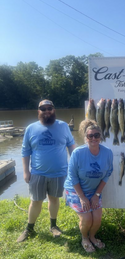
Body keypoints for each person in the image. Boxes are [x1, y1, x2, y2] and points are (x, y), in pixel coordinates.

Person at [17, 99, 76, 243]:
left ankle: (53, 225)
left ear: (54, 110)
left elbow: (71, 146)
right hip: (38, 173)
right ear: (39, 111)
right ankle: (29, 228)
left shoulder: (63, 126)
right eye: (43, 109)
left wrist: (74, 167)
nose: (47, 111)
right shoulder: (31, 128)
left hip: (59, 173)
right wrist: (26, 172)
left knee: (54, 199)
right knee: (35, 201)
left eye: (49, 108)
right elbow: (25, 151)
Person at [64, 119, 113, 253]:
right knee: (86, 218)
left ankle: (92, 237)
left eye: (96, 135)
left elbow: (108, 173)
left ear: (101, 136)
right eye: (90, 136)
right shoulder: (78, 153)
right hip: (75, 190)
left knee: (97, 218)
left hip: (94, 190)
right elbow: (72, 176)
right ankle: (84, 238)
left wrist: (96, 195)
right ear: (86, 138)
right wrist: (82, 197)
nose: (93, 138)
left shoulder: (108, 152)